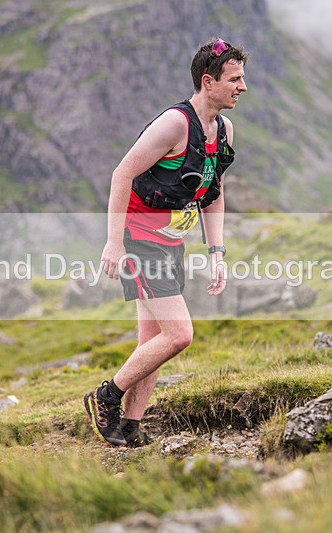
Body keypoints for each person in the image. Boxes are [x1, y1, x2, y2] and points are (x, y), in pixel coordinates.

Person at [82, 38, 248, 447]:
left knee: (152, 340)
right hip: (139, 239)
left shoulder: (223, 130)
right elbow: (122, 174)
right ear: (208, 81)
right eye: (235, 79)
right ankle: (105, 397)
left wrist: (217, 252)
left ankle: (130, 425)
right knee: (179, 334)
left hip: (172, 242)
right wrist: (114, 243)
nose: (242, 87)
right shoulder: (175, 124)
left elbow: (213, 192)